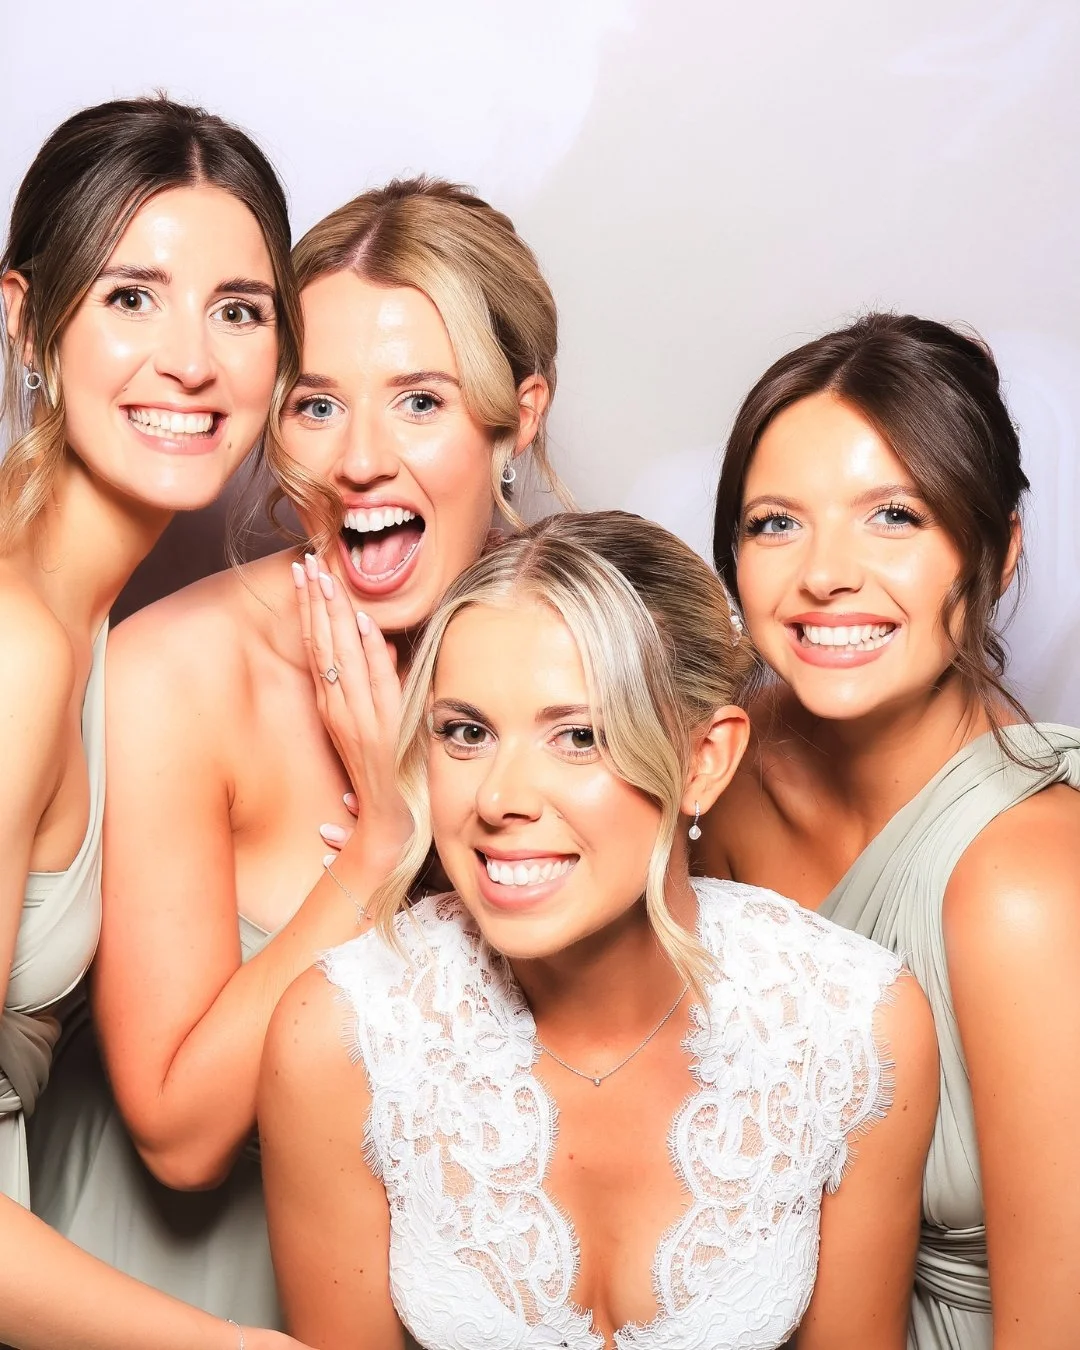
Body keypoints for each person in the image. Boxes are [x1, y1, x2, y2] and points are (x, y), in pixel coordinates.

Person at [29, 176, 566, 1327]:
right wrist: (384, 841)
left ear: (519, 413)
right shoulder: (177, 671)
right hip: (164, 1290)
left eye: (420, 401)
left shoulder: (585, 674)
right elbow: (177, 1134)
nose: (360, 459)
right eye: (317, 405)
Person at [259, 510, 938, 1350]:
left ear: (703, 762)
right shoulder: (341, 1036)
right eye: (466, 732)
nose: (501, 798)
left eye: (577, 736)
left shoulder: (855, 1028)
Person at [701, 312, 1080, 1350]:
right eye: (776, 522)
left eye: (894, 517)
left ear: (998, 553)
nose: (825, 574)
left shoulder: (1027, 885)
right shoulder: (717, 767)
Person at [0, 96, 306, 1350]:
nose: (192, 360)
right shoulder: (17, 646)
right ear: (26, 318)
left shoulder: (93, 632)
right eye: (132, 297)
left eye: (237, 310)